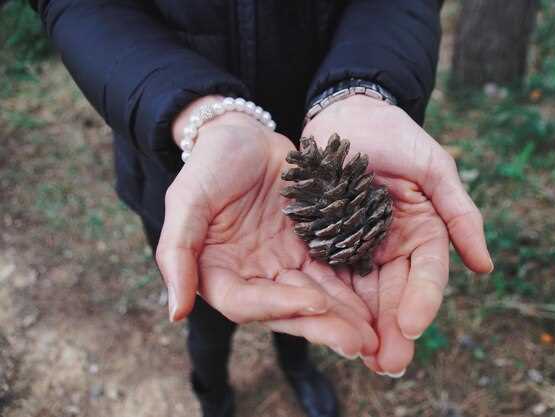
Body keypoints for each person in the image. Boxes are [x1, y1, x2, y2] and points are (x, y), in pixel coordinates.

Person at [31, 1, 492, 416]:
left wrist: (363, 84)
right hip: (185, 164)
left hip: (322, 121)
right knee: (204, 312)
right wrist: (194, 112)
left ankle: (296, 365)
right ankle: (212, 393)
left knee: (304, 305)